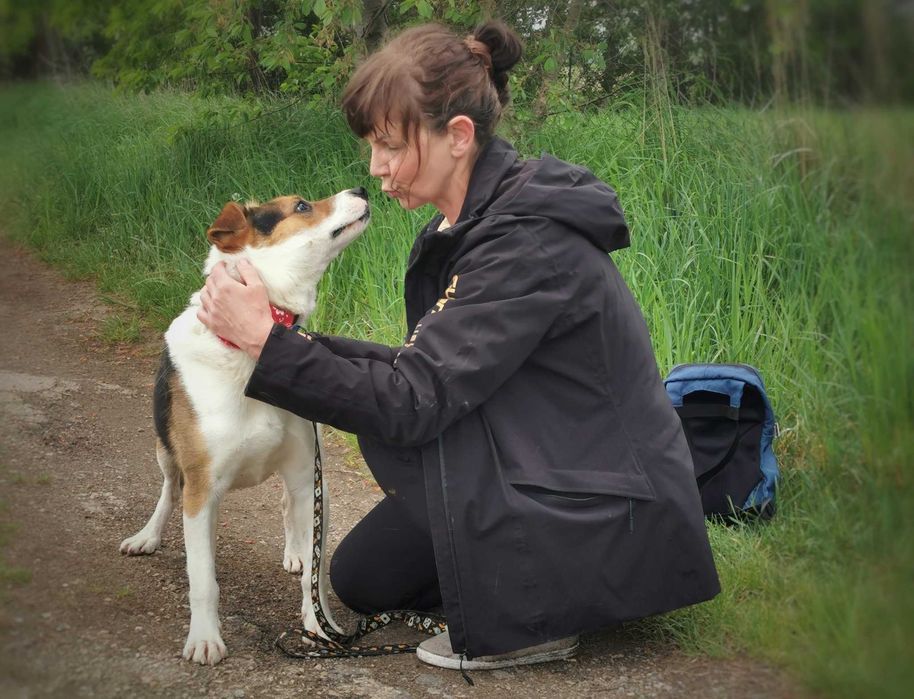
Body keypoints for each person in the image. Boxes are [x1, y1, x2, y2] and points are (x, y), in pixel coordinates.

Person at [197, 21, 720, 671]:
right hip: (546, 461)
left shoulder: (524, 241)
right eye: (372, 146)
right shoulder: (470, 226)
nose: (375, 167)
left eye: (389, 145)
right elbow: (424, 371)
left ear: (459, 137)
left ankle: (534, 620)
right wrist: (276, 341)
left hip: (604, 504)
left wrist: (266, 343)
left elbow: (412, 400)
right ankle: (512, 591)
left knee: (400, 433)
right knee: (362, 578)